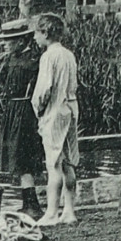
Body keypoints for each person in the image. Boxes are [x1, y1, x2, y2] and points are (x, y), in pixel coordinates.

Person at [0, 17, 46, 218]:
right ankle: (28, 202)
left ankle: (32, 204)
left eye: (8, 41)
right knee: (16, 157)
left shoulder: (31, 61)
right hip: (13, 110)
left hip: (24, 112)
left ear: (22, 41)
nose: (4, 44)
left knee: (23, 157)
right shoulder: (12, 60)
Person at [32, 13, 81, 225]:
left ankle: (51, 212)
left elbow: (44, 90)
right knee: (69, 161)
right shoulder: (69, 55)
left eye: (36, 32)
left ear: (45, 32)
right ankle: (69, 210)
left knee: (54, 162)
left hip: (55, 109)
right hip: (71, 107)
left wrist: (38, 110)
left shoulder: (48, 57)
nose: (34, 37)